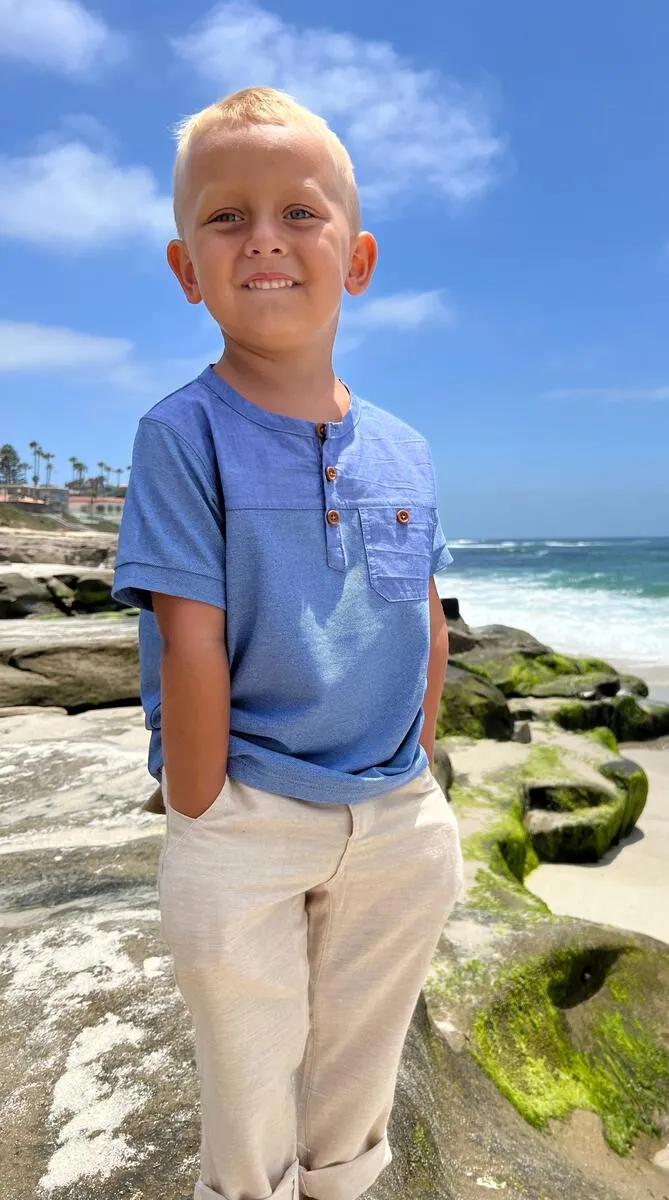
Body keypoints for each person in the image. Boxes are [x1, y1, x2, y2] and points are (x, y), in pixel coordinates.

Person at [112, 86, 464, 1200]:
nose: (264, 235)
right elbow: (190, 635)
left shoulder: (404, 447)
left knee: (357, 1071)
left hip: (393, 811)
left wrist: (419, 783)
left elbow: (424, 618)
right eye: (227, 217)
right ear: (186, 268)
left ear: (354, 259)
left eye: (298, 215)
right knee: (250, 1072)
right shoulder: (184, 432)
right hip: (249, 807)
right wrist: (205, 813)